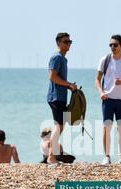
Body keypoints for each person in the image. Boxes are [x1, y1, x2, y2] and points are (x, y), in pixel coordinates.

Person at [95, 34, 121, 165]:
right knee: (107, 127)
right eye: (110, 45)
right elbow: (97, 80)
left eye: (115, 45)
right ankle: (106, 156)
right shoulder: (104, 60)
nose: (112, 47)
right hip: (108, 98)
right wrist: (101, 92)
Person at [47, 32, 78, 165]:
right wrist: (69, 84)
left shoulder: (63, 59)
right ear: (58, 43)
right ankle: (51, 157)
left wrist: (70, 86)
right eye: (65, 41)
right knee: (59, 126)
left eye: (69, 42)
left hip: (60, 97)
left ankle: (51, 155)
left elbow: (60, 79)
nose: (68, 44)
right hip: (55, 97)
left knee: (59, 126)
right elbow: (52, 77)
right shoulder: (57, 57)